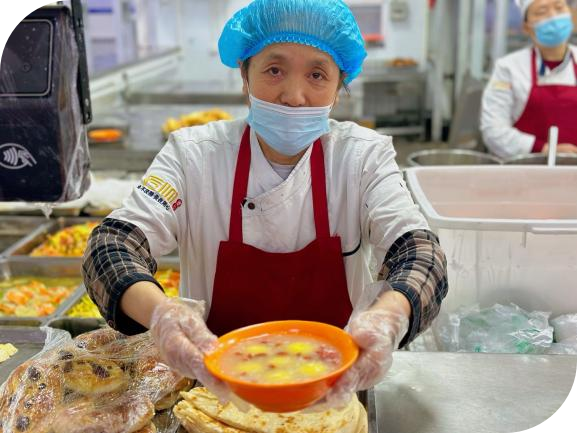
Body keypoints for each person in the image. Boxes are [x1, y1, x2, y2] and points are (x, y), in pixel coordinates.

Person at [82, 0, 447, 407]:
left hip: (335, 393)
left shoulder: (362, 157)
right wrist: (161, 315)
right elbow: (110, 246)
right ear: (244, 76)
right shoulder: (193, 155)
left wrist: (388, 317)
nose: (294, 96)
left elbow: (421, 254)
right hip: (216, 396)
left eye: (317, 75)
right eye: (274, 70)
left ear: (338, 89)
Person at [481, 0, 577, 159]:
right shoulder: (508, 68)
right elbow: (493, 130)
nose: (553, 16)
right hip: (526, 168)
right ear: (526, 27)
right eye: (542, 12)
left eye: (559, 7)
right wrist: (543, 149)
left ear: (570, 14)